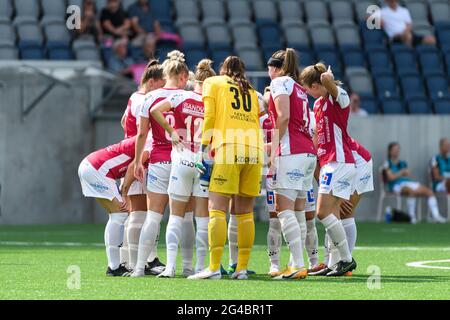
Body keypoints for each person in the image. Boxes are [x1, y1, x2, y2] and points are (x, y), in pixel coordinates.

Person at [188, 56, 264, 280]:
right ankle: (241, 268)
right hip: (255, 150)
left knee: (217, 209)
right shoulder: (249, 88)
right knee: (245, 213)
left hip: (229, 147)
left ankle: (213, 268)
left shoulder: (214, 82)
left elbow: (209, 116)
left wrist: (203, 148)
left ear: (222, 69)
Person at [149, 59, 217, 278]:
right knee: (202, 219)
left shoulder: (181, 96)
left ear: (195, 81)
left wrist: (171, 130)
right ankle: (199, 268)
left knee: (176, 217)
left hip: (182, 158)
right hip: (204, 161)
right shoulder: (213, 104)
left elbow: (155, 110)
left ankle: (170, 267)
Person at [130, 50, 190, 277]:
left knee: (153, 216)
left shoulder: (149, 98)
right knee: (184, 218)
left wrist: (137, 161)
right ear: (183, 75)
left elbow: (142, 134)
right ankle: (186, 267)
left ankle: (138, 268)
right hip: (183, 161)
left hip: (159, 160)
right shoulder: (189, 96)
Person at [299, 63, 357, 277]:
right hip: (329, 163)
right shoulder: (318, 105)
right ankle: (334, 263)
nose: (307, 93)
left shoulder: (338, 97)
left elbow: (325, 80)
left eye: (308, 89)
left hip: (339, 162)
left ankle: (347, 259)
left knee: (322, 212)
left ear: (316, 85)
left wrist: (327, 76)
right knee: (332, 215)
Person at [265, 49, 317, 280]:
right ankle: (298, 262)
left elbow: (283, 116)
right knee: (298, 212)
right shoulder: (299, 87)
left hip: (291, 151)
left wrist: (274, 149)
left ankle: (297, 264)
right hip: (307, 153)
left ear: (274, 68)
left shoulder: (280, 83)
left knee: (283, 210)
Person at [78, 137, 149, 276]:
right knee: (119, 215)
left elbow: (124, 121)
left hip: (90, 166)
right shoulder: (150, 141)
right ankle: (114, 267)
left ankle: (114, 266)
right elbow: (132, 167)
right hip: (97, 169)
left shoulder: (146, 137)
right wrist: (125, 194)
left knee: (116, 215)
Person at [119, 60, 165, 272]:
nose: (163, 88)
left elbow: (123, 121)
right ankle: (137, 261)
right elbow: (142, 131)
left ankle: (134, 259)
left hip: (137, 155)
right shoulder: (142, 100)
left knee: (142, 213)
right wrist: (138, 155)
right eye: (162, 83)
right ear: (152, 81)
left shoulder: (135, 98)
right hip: (140, 158)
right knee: (139, 212)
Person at [384, 142, 446, 223]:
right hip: (395, 185)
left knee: (429, 192)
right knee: (411, 192)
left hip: (407, 182)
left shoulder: (403, 163)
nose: (396, 151)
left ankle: (436, 216)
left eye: (398, 149)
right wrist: (401, 172)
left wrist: (403, 173)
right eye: (394, 149)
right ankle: (411, 217)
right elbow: (390, 178)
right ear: (390, 151)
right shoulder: (387, 163)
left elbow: (407, 174)